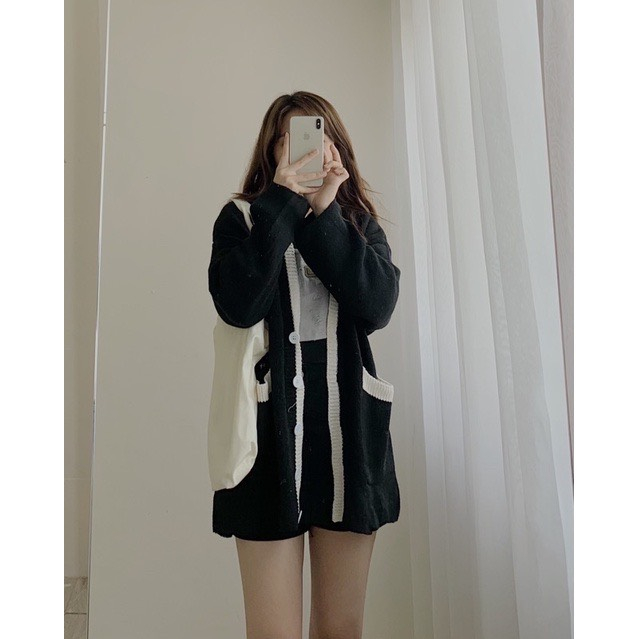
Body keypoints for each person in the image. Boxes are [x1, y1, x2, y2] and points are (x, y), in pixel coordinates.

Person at [208, 91, 401, 639]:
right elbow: (238, 305)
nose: (305, 150)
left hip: (347, 440)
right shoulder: (244, 219)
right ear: (271, 151)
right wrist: (283, 206)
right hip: (268, 443)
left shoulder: (357, 223)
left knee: (341, 629)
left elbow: (378, 306)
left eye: (317, 137)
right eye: (289, 140)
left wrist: (325, 213)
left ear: (336, 148)